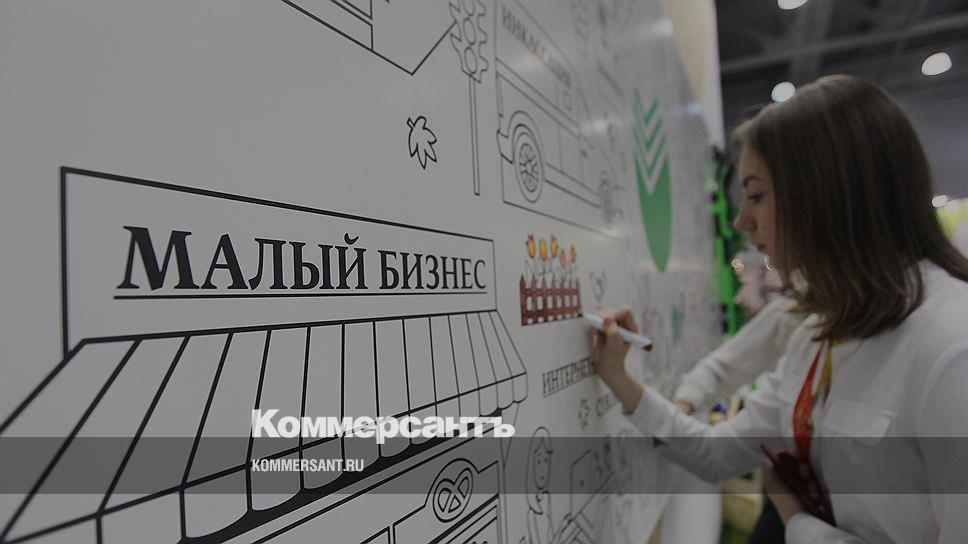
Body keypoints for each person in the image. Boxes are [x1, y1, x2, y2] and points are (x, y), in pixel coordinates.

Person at [591, 75, 968, 543]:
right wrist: (619, 378)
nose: (741, 222)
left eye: (756, 196)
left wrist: (800, 525)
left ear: (824, 193)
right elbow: (718, 454)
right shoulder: (820, 336)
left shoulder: (951, 348)